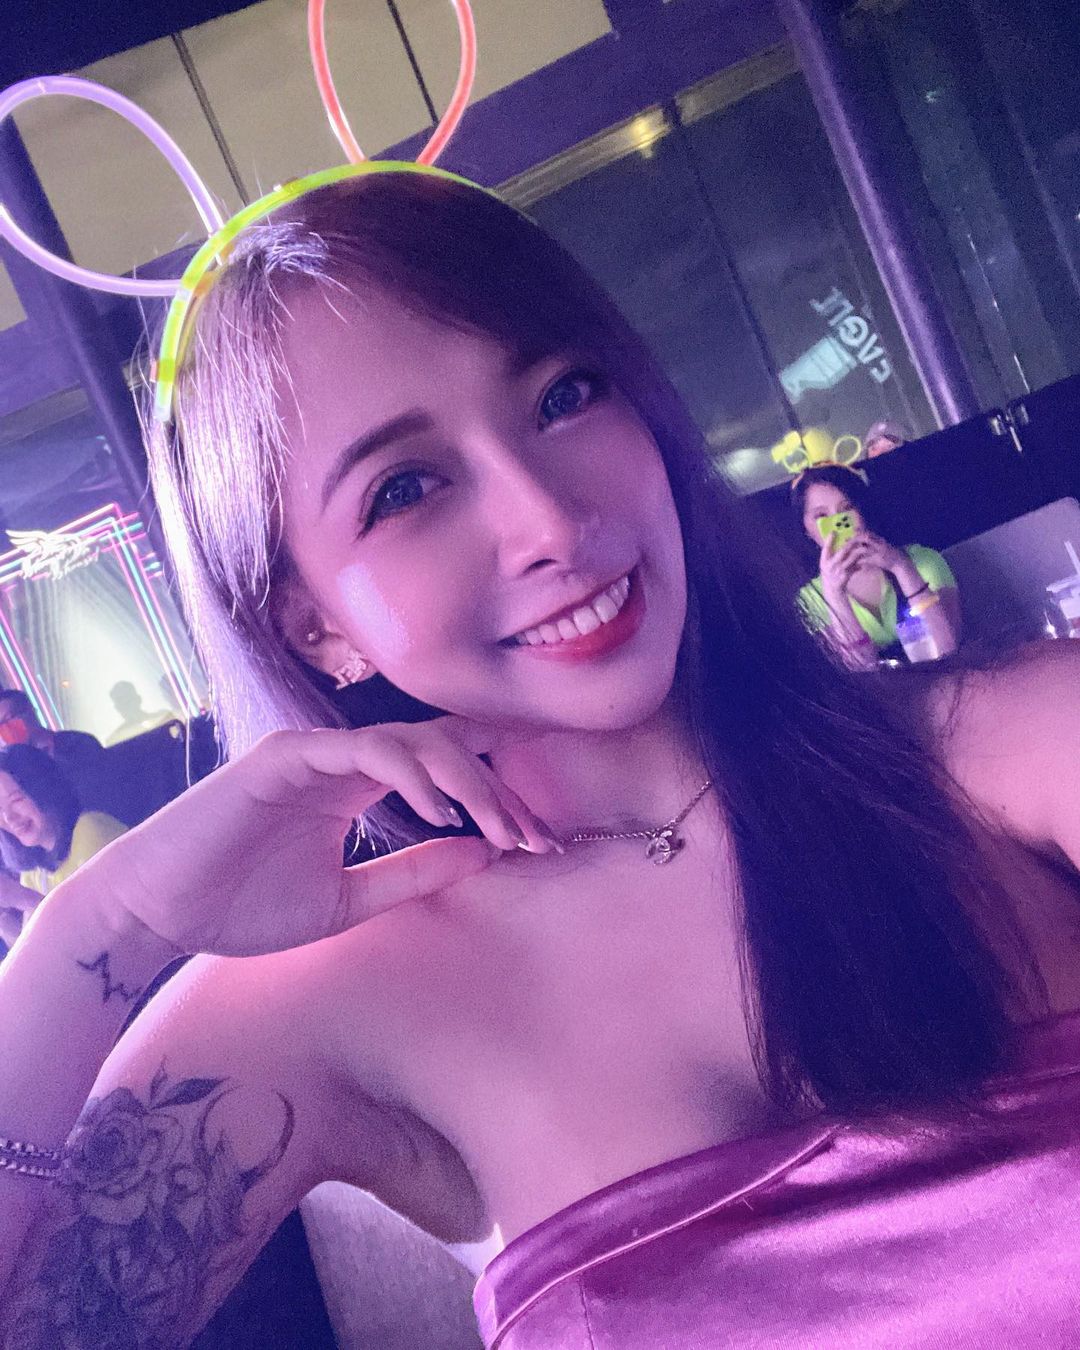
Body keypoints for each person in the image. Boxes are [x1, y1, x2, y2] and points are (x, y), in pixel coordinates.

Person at [0, 173, 1078, 1349]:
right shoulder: (327, 996)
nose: (551, 523)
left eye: (564, 396)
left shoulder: (1008, 750)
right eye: (406, 489)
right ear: (312, 624)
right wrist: (106, 925)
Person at [792, 463, 962, 668]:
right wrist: (834, 594)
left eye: (847, 508)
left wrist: (901, 567)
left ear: (862, 511)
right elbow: (859, 670)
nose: (837, 522)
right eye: (821, 516)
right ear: (806, 530)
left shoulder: (924, 562)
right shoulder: (811, 599)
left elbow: (948, 649)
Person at [0, 745, 127, 950]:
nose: (9, 818)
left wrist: (23, 898)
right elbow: (38, 955)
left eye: (16, 800)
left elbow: (93, 943)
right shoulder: (34, 872)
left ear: (43, 789)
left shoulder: (91, 830)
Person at [0, 688, 140, 827]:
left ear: (30, 712)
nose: (6, 728)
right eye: (0, 725)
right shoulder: (12, 770)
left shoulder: (77, 743)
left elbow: (101, 787)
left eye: (10, 718)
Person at [104, 680, 174, 747]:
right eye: (120, 702)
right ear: (117, 708)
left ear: (138, 699)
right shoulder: (114, 741)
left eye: (128, 701)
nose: (125, 706)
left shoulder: (165, 718)